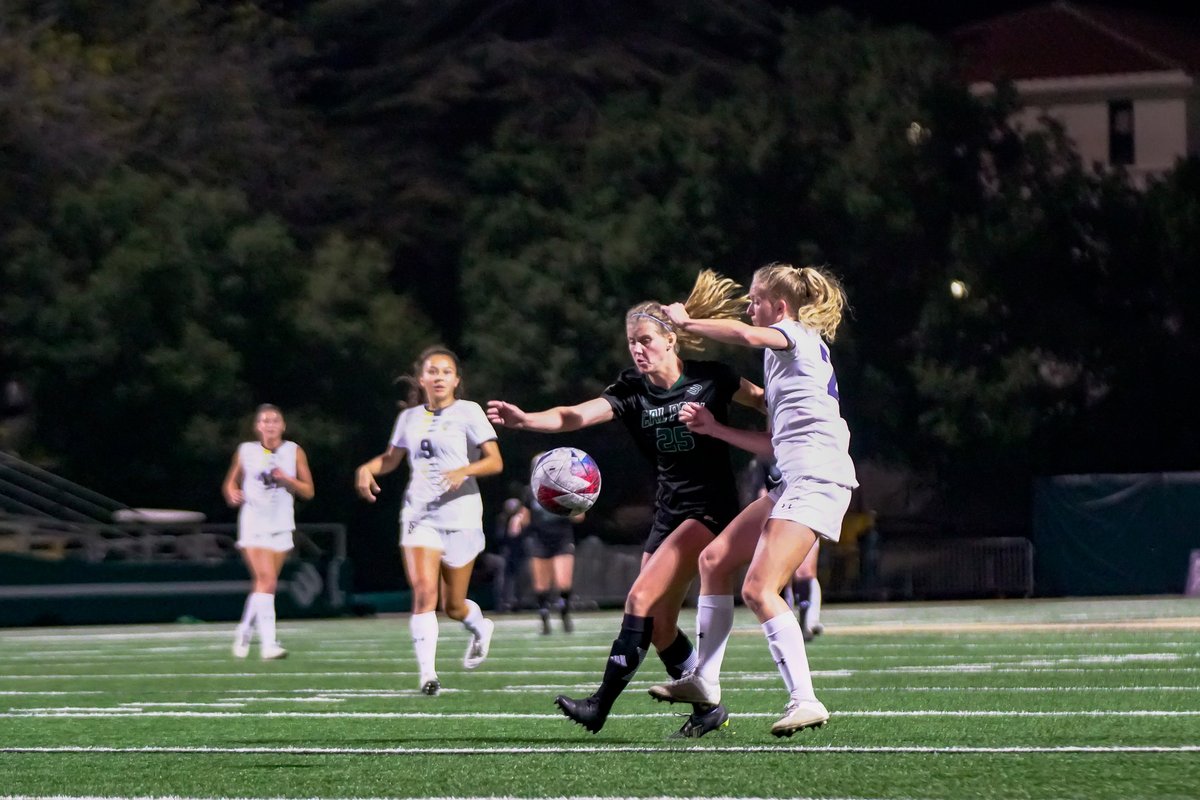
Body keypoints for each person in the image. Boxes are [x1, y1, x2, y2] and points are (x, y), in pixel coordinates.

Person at [486, 270, 767, 739]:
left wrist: (804, 424)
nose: (637, 349)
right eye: (631, 342)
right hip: (668, 511)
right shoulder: (632, 391)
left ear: (671, 340)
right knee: (658, 625)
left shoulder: (712, 379)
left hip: (710, 509)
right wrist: (526, 420)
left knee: (639, 597)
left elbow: (764, 402)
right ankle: (708, 707)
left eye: (645, 340)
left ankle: (600, 705)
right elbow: (575, 415)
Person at [651, 261, 856, 737]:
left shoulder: (796, 335)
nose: (748, 307)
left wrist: (685, 323)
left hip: (818, 479)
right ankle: (704, 679)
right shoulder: (785, 358)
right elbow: (774, 443)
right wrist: (715, 427)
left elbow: (745, 336)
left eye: (755, 299)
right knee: (715, 559)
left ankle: (805, 699)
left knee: (759, 589)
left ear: (778, 308)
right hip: (796, 477)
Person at [355, 346, 504, 696]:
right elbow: (390, 461)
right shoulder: (407, 418)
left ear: (456, 380)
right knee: (424, 593)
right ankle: (427, 675)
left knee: (453, 606)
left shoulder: (469, 412)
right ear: (421, 379)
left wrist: (465, 469)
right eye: (432, 371)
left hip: (462, 514)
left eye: (446, 371)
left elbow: (495, 462)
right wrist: (367, 468)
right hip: (419, 515)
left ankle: (480, 626)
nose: (439, 377)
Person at [221, 403, 315, 660]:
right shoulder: (246, 451)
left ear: (282, 426)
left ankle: (244, 630)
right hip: (254, 523)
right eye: (265, 421)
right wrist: (231, 492)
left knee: (263, 584)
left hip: (282, 524)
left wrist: (287, 479)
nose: (270, 425)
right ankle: (268, 644)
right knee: (268, 582)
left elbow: (308, 491)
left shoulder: (294, 451)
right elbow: (230, 481)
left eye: (275, 420)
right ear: (257, 427)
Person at [518, 454, 584, 634]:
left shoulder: (566, 487)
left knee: (564, 583)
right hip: (539, 539)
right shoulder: (530, 490)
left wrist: (572, 502)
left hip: (562, 538)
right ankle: (545, 620)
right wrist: (518, 520)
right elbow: (525, 516)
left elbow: (579, 516)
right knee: (541, 586)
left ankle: (564, 614)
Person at [493, 494, 528, 612]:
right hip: (506, 552)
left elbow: (524, 536)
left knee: (520, 576)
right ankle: (503, 602)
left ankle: (518, 601)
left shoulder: (523, 519)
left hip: (520, 552)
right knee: (503, 576)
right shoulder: (502, 519)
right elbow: (500, 538)